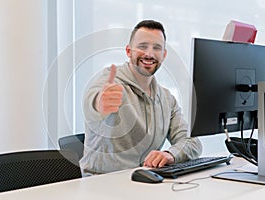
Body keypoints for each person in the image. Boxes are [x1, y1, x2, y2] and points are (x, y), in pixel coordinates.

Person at [80, 19, 202, 175]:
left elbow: (192, 142)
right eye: (142, 46)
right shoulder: (110, 84)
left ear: (163, 55)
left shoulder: (166, 98)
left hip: (145, 180)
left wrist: (171, 154)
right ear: (129, 51)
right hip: (102, 183)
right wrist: (100, 104)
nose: (149, 54)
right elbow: (92, 102)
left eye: (156, 48)